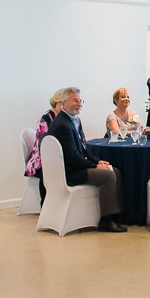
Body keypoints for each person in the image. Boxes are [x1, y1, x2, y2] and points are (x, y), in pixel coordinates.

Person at [46, 88, 126, 232]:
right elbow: (73, 158)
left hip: (74, 167)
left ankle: (116, 217)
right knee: (108, 175)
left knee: (115, 171)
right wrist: (95, 167)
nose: (79, 104)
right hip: (70, 173)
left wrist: (98, 162)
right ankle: (106, 221)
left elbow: (82, 151)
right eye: (75, 100)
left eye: (80, 100)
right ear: (64, 103)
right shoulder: (63, 125)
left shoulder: (69, 120)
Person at [24, 88, 71, 202]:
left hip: (64, 156)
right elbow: (45, 146)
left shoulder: (71, 118)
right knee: (50, 168)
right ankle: (46, 203)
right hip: (41, 159)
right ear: (58, 103)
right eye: (65, 103)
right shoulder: (46, 119)